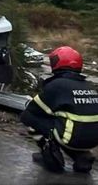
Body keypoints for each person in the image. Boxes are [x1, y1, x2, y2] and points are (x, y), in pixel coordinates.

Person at [21, 46, 98, 174]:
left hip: (71, 137)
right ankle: (81, 156)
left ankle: (50, 156)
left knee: (29, 117)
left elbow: (33, 110)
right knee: (69, 124)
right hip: (93, 139)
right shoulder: (89, 85)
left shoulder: (57, 85)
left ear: (57, 63)